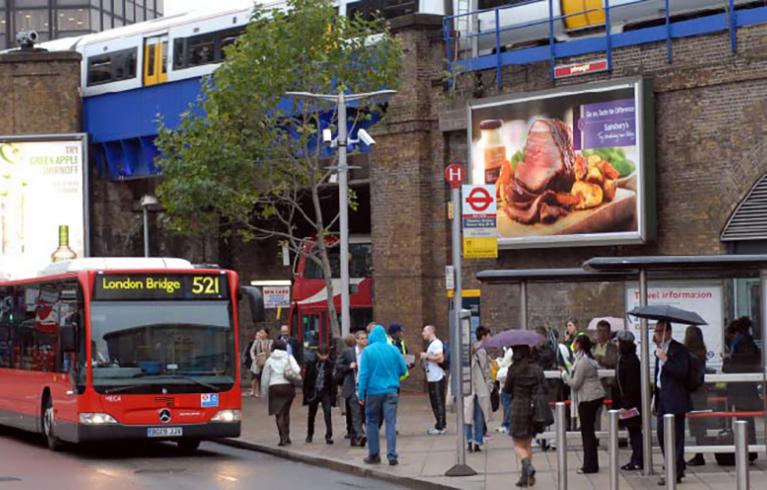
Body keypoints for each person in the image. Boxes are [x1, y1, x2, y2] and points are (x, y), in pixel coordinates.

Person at [357, 325, 408, 466]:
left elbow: (363, 375)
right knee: (391, 423)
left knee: (372, 422)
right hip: (391, 391)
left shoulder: (367, 352)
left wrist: (361, 394)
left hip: (373, 392)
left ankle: (374, 454)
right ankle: (392, 455)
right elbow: (404, 369)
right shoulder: (394, 350)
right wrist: (393, 377)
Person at [653, 320, 691, 486]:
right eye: (657, 331)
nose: (658, 334)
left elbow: (681, 372)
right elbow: (658, 375)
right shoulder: (659, 349)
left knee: (675, 437)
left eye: (661, 331)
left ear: (669, 332)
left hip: (675, 398)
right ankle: (675, 465)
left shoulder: (679, 349)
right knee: (661, 434)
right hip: (662, 397)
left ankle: (673, 471)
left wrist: (666, 359)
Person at [562, 335, 606, 474]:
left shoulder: (583, 362)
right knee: (589, 432)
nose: (573, 346)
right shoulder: (583, 359)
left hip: (589, 398)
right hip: (592, 396)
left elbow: (575, 383)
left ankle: (589, 465)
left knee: (587, 433)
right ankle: (592, 463)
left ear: (580, 345)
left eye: (575, 343)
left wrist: (564, 376)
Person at [504, 344, 546, 487]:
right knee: (527, 443)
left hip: (518, 407)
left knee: (517, 444)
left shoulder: (513, 369)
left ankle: (528, 466)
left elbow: (507, 390)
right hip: (534, 408)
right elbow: (545, 387)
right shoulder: (537, 369)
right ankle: (525, 478)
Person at [722, 317, 761, 464]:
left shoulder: (742, 345)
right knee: (747, 422)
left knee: (744, 422)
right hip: (747, 390)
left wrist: (726, 362)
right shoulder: (749, 343)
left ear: (737, 332)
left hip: (742, 391)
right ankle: (750, 452)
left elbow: (734, 367)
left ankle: (748, 452)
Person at [261, 339, 301, 447]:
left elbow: (265, 378)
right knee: (286, 412)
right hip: (288, 387)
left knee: (279, 414)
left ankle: (282, 438)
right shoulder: (289, 357)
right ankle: (287, 436)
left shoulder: (269, 360)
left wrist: (263, 394)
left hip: (275, 387)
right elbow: (297, 370)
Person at [615, 330, 643, 471]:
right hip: (627, 401)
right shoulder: (624, 359)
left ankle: (638, 459)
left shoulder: (630, 361)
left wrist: (626, 404)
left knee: (635, 430)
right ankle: (636, 457)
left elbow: (631, 385)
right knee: (633, 431)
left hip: (632, 403)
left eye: (618, 342)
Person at [464, 326, 494, 452]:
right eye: (489, 335)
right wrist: (490, 385)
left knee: (467, 414)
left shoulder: (467, 351)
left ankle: (469, 440)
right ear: (483, 336)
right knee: (479, 415)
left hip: (468, 386)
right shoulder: (481, 351)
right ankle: (477, 441)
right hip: (480, 386)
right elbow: (486, 370)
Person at [337, 331, 367, 446]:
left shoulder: (368, 352)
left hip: (365, 387)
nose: (365, 341)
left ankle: (355, 438)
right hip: (352, 386)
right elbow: (338, 365)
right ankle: (360, 434)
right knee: (355, 412)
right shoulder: (348, 352)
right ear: (357, 340)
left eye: (366, 338)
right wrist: (349, 367)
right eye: (362, 339)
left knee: (363, 413)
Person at [684, 325, 708, 467]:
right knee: (700, 425)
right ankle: (700, 453)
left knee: (696, 424)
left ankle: (699, 455)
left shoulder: (689, 353)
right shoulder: (701, 351)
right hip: (700, 391)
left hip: (693, 392)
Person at [303, 344, 336, 444]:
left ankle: (329, 435)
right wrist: (306, 394)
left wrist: (333, 397)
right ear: (317, 354)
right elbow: (307, 380)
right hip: (314, 391)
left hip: (325, 391)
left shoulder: (330, 364)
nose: (324, 357)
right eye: (322, 355)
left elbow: (332, 382)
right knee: (311, 414)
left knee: (328, 413)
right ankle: (310, 434)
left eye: (326, 355)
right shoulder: (311, 363)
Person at [420, 324, 447, 435]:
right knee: (435, 402)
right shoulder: (432, 344)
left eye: (424, 331)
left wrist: (426, 356)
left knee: (438, 402)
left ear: (430, 332)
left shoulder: (436, 344)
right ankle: (440, 424)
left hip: (437, 377)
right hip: (432, 377)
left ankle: (441, 426)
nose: (422, 334)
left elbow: (440, 358)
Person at [495, 346, 514, 434]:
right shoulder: (509, 351)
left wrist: (498, 361)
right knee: (507, 404)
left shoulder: (510, 351)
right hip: (507, 382)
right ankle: (506, 423)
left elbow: (503, 364)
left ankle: (507, 424)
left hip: (506, 382)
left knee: (507, 405)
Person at [249, 328, 273, 398]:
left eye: (263, 332)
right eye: (260, 332)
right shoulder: (257, 341)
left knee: (265, 377)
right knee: (255, 376)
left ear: (266, 334)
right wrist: (254, 359)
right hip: (258, 362)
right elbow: (251, 351)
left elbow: (272, 351)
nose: (261, 334)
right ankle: (255, 391)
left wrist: (270, 358)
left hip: (266, 362)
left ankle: (263, 392)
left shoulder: (270, 342)